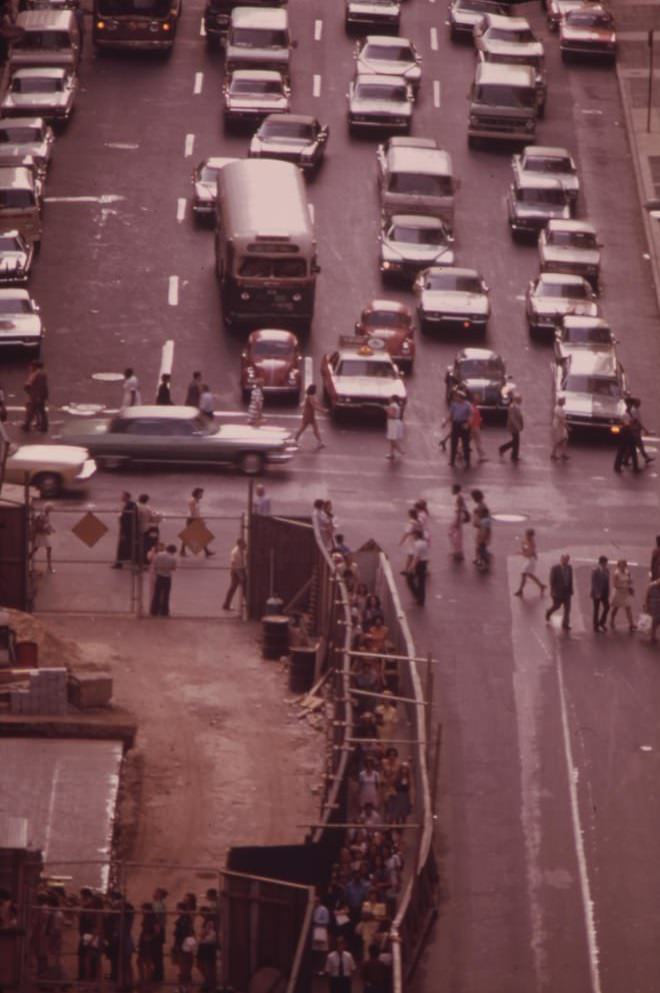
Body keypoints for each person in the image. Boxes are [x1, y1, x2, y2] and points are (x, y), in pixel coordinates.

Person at [180, 487, 215, 558]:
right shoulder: (192, 501)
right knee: (191, 535)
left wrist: (200, 519)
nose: (202, 495)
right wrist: (199, 520)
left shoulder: (196, 501)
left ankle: (206, 551)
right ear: (197, 493)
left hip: (195, 519)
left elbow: (197, 512)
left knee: (197, 535)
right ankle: (182, 551)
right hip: (191, 519)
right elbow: (192, 512)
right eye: (201, 493)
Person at [444, 390, 471, 468]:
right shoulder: (454, 405)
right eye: (456, 397)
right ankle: (452, 461)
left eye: (457, 397)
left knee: (465, 444)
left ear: (461, 398)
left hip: (464, 424)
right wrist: (445, 422)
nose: (456, 398)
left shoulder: (467, 405)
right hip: (456, 424)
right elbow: (451, 415)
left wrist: (468, 424)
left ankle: (467, 461)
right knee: (453, 443)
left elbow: (471, 416)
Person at [514, 528, 545, 597]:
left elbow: (529, 553)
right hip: (528, 559)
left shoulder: (532, 543)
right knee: (529, 574)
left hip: (531, 560)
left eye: (528, 535)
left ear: (531, 536)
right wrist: (523, 548)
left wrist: (520, 553)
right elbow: (525, 549)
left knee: (524, 574)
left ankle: (520, 590)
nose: (526, 536)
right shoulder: (525, 541)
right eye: (526, 534)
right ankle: (541, 585)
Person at [545, 554, 573, 630]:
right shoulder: (555, 568)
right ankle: (548, 612)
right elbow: (552, 581)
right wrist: (552, 591)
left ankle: (565, 624)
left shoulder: (569, 568)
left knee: (567, 609)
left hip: (567, 592)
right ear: (561, 560)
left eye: (567, 560)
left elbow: (570, 579)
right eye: (564, 560)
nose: (566, 561)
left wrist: (571, 590)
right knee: (557, 606)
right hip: (558, 592)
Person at [295, 383, 326, 448]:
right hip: (308, 415)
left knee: (314, 429)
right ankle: (295, 440)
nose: (316, 390)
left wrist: (322, 408)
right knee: (303, 428)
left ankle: (320, 442)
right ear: (313, 390)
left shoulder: (312, 396)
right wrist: (323, 410)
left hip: (310, 415)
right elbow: (314, 406)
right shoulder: (310, 397)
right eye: (315, 389)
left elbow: (316, 403)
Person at [150, 544, 177, 617]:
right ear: (173, 551)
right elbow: (173, 568)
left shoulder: (158, 555)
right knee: (166, 595)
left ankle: (154, 610)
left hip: (159, 576)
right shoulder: (173, 558)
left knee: (156, 594)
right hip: (167, 577)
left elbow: (154, 564)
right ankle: (164, 611)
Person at [112, 491, 138, 568]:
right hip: (127, 529)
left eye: (122, 496)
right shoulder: (129, 505)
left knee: (122, 547)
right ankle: (124, 562)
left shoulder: (130, 505)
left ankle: (119, 563)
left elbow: (128, 519)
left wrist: (123, 531)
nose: (121, 497)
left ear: (126, 497)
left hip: (126, 530)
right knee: (127, 547)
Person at [22, 360, 49, 432]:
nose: (30, 367)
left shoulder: (38, 374)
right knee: (37, 410)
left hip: (36, 395)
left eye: (31, 366)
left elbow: (39, 386)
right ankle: (30, 425)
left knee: (34, 410)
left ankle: (28, 425)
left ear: (35, 366)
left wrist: (38, 396)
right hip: (36, 395)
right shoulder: (38, 373)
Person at [609, 559, 635, 632]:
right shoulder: (616, 573)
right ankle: (612, 620)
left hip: (626, 593)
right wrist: (624, 586)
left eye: (624, 565)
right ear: (619, 565)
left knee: (628, 608)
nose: (623, 566)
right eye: (622, 565)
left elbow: (630, 581)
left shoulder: (627, 572)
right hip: (618, 593)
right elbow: (615, 585)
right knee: (616, 608)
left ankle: (631, 623)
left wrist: (630, 583)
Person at [406, 526, 429, 605]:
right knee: (421, 582)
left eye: (413, 534)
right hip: (424, 562)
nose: (413, 536)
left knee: (409, 579)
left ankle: (417, 595)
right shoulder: (424, 543)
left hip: (419, 563)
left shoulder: (417, 544)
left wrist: (411, 567)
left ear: (416, 535)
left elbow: (416, 557)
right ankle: (421, 599)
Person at [30, 502, 55, 573]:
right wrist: (47, 528)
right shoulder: (42, 515)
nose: (51, 511)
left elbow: (47, 523)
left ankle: (49, 567)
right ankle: (49, 567)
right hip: (41, 535)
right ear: (48, 508)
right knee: (36, 549)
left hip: (43, 534)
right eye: (50, 509)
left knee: (46, 548)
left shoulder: (46, 514)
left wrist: (51, 528)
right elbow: (41, 525)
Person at [223, 537, 247, 611]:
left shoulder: (243, 550)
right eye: (243, 544)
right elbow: (234, 565)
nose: (245, 545)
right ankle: (226, 604)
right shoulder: (235, 552)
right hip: (236, 571)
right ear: (239, 544)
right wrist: (240, 576)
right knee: (233, 587)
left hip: (241, 569)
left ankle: (246, 602)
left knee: (245, 587)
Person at [471, 489, 492, 571]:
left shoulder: (482, 507)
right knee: (479, 546)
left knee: (481, 547)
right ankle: (479, 559)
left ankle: (485, 562)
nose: (473, 499)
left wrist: (476, 515)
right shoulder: (482, 505)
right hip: (482, 530)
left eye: (473, 498)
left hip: (483, 531)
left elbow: (480, 521)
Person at [137, 494, 161, 565]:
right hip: (146, 528)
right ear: (147, 500)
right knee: (148, 544)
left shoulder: (136, 506)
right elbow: (153, 517)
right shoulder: (147, 508)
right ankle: (146, 559)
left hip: (140, 527)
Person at [614, 409, 639, 474]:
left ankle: (617, 466)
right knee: (631, 449)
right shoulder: (628, 415)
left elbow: (620, 421)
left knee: (622, 450)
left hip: (625, 431)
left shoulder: (625, 415)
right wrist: (633, 421)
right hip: (627, 431)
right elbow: (629, 423)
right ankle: (635, 467)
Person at [499, 394, 523, 462]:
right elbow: (512, 418)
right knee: (516, 441)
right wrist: (517, 426)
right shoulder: (513, 407)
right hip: (514, 427)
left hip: (515, 426)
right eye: (520, 399)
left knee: (516, 441)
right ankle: (503, 449)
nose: (521, 401)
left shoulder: (516, 406)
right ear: (517, 399)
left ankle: (514, 455)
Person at [449, 484, 470, 562]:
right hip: (458, 516)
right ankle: (458, 551)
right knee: (456, 534)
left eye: (452, 489)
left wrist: (457, 520)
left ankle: (458, 552)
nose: (451, 491)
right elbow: (464, 508)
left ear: (456, 489)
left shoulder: (459, 497)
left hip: (458, 516)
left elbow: (459, 509)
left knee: (454, 534)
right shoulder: (459, 497)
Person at [590, 556, 610, 632]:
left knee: (607, 607)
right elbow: (594, 583)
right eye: (604, 563)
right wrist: (597, 593)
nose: (606, 564)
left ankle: (601, 622)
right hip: (597, 593)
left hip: (604, 593)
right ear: (601, 563)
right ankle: (595, 625)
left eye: (606, 563)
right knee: (596, 609)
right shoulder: (595, 571)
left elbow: (607, 582)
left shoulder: (607, 570)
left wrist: (608, 592)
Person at [399, 509, 419, 574]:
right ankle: (410, 569)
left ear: (410, 514)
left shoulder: (411, 523)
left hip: (411, 540)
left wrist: (402, 541)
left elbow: (407, 533)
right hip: (415, 539)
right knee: (412, 555)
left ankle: (407, 569)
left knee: (410, 555)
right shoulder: (416, 522)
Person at [385, 396, 404, 460]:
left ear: (393, 399)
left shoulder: (393, 405)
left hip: (393, 423)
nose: (389, 399)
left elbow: (392, 415)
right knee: (391, 439)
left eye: (390, 398)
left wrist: (387, 410)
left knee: (392, 440)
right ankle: (392, 454)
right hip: (393, 422)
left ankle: (400, 451)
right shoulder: (395, 405)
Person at [550, 397, 569, 461]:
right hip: (559, 426)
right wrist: (567, 426)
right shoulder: (560, 409)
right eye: (564, 401)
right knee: (559, 440)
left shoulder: (557, 408)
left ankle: (562, 453)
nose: (565, 402)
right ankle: (554, 454)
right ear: (561, 401)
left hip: (558, 425)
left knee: (564, 439)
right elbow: (561, 419)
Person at [644, 577, 660, 643]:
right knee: (654, 621)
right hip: (653, 605)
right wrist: (646, 605)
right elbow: (647, 596)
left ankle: (653, 635)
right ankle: (652, 636)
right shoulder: (652, 586)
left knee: (657, 621)